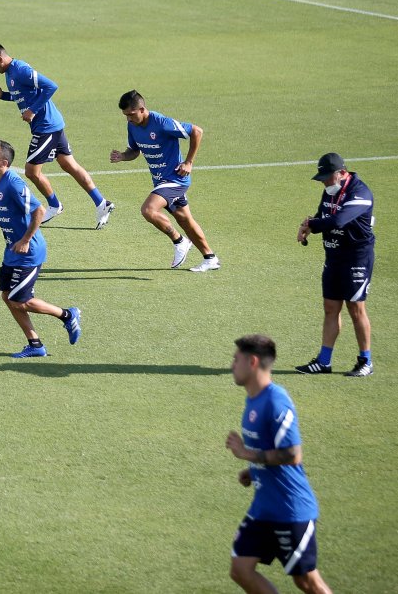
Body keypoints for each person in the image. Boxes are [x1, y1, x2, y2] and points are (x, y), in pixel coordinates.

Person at [226, 334, 332, 594]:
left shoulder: (275, 401)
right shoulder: (253, 399)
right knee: (240, 569)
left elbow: (292, 454)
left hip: (289, 509)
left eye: (236, 359)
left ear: (252, 362)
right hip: (264, 508)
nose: (231, 365)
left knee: (306, 581)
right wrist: (253, 471)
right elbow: (270, 450)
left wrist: (246, 454)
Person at [0, 42, 114, 228]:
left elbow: (51, 86)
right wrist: (3, 95)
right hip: (50, 125)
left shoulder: (20, 70)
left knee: (31, 171)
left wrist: (32, 110)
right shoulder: (9, 73)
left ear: (0, 58)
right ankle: (102, 203)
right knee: (69, 165)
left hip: (46, 127)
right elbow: (23, 94)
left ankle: (54, 205)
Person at [0, 140, 81, 358]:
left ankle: (68, 315)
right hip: (12, 252)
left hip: (29, 253)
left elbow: (39, 210)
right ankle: (35, 344)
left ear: (4, 163)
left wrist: (26, 240)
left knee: (20, 300)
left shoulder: (14, 183)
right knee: (7, 296)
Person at [110, 90, 219, 272]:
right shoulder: (132, 126)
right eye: (125, 115)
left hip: (176, 179)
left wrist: (189, 162)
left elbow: (197, 131)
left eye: (131, 114)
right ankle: (210, 258)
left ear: (142, 109)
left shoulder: (161, 122)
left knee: (148, 210)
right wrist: (122, 156)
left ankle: (179, 241)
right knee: (185, 219)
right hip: (160, 181)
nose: (128, 118)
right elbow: (134, 151)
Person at [295, 153, 375, 377]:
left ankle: (365, 361)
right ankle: (323, 362)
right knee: (330, 307)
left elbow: (339, 220)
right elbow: (324, 214)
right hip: (334, 255)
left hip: (356, 258)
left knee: (356, 308)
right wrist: (310, 224)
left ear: (341, 173)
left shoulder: (360, 193)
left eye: (327, 178)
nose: (324, 182)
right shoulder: (331, 190)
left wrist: (313, 224)